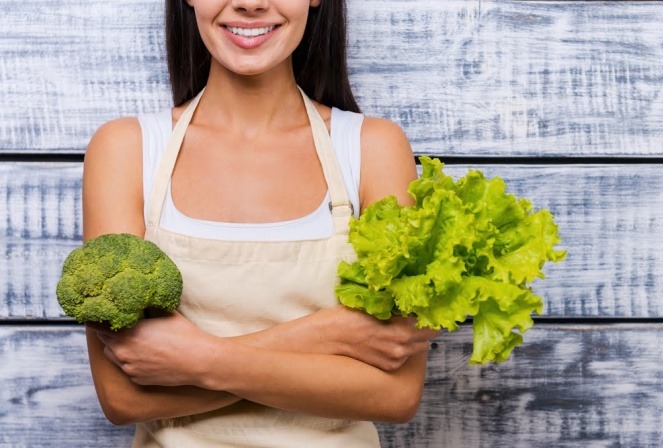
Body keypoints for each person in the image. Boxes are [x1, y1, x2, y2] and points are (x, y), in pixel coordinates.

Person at [84, 0, 439, 446]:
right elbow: (123, 398)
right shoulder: (127, 148)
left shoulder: (373, 148)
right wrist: (325, 334)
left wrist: (195, 361)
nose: (251, 3)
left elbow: (395, 394)